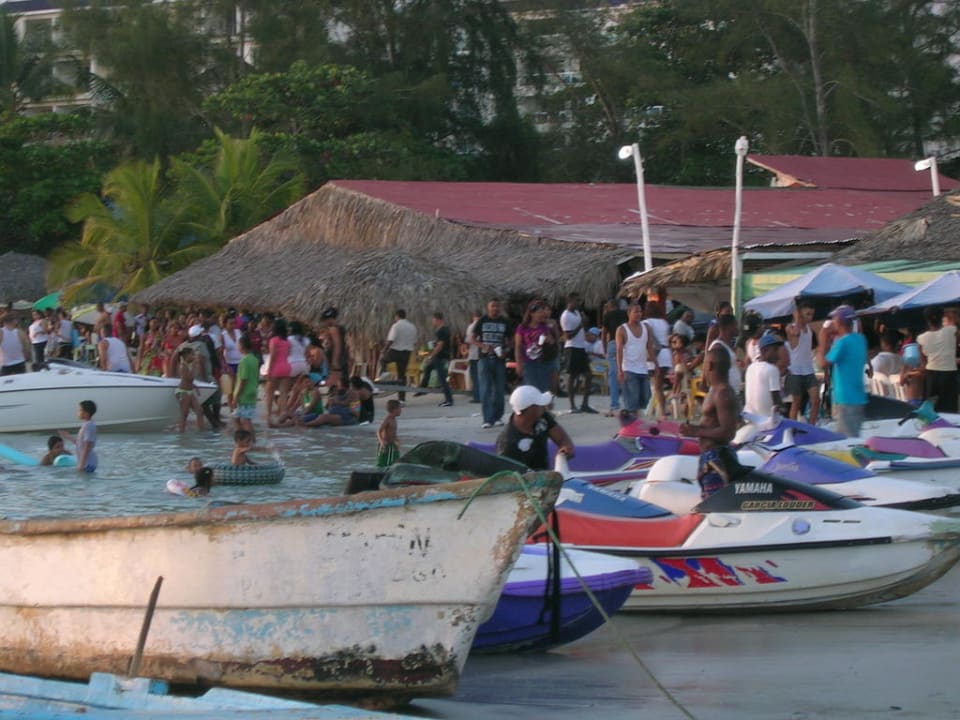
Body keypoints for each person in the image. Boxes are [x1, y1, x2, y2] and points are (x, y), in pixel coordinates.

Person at [679, 347, 742, 499]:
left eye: (704, 364)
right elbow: (714, 424)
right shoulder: (715, 391)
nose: (702, 369)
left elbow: (728, 432)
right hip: (710, 457)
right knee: (709, 502)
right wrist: (694, 428)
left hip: (717, 458)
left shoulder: (722, 392)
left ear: (710, 366)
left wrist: (696, 432)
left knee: (715, 506)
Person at [496, 386, 575, 471]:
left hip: (546, 476)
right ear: (531, 409)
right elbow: (509, 479)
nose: (544, 407)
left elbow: (561, 437)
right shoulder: (508, 443)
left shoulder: (541, 417)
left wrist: (565, 448)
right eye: (540, 405)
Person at [819, 305, 868, 438]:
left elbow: (822, 363)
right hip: (857, 396)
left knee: (847, 440)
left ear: (839, 322)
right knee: (850, 434)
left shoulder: (843, 343)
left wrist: (823, 339)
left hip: (845, 398)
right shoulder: (860, 339)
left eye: (834, 319)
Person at [472, 298, 511, 428]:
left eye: (497, 306)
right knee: (485, 389)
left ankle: (498, 417)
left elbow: (510, 339)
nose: (495, 308)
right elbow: (472, 338)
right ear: (488, 308)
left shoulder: (504, 321)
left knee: (499, 389)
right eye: (492, 306)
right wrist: (482, 345)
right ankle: (487, 419)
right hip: (484, 358)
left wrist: (506, 350)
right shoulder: (482, 321)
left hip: (499, 359)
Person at [616, 303, 658, 418]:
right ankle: (632, 424)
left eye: (640, 311)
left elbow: (650, 346)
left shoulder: (646, 327)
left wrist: (656, 364)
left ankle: (634, 420)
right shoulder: (622, 329)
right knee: (632, 401)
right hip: (629, 369)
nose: (639, 314)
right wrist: (620, 370)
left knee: (645, 397)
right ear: (629, 313)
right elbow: (619, 350)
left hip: (643, 369)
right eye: (636, 312)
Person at [917, 305, 958, 413]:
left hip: (931, 376)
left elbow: (923, 364)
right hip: (949, 375)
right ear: (941, 317)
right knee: (949, 409)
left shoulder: (921, 338)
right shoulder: (952, 331)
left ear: (927, 320)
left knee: (930, 409)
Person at [784, 301, 820, 424]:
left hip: (808, 369)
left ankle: (811, 427)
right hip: (795, 370)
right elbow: (796, 333)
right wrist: (796, 317)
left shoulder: (810, 329)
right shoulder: (791, 327)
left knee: (816, 400)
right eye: (807, 314)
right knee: (796, 403)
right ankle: (791, 428)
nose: (810, 317)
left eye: (812, 314)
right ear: (800, 314)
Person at [560, 292, 595, 414]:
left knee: (588, 375)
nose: (578, 303)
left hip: (581, 347)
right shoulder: (566, 316)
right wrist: (580, 326)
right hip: (572, 347)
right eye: (576, 301)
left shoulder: (577, 313)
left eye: (579, 301)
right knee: (572, 376)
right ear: (569, 302)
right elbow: (568, 336)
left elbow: (583, 328)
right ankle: (572, 405)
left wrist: (584, 324)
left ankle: (585, 403)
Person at [514, 301, 557, 393]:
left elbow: (552, 342)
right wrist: (519, 364)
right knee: (531, 389)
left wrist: (548, 340)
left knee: (543, 390)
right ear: (531, 314)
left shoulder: (544, 326)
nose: (542, 315)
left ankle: (543, 406)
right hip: (528, 363)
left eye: (542, 312)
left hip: (543, 362)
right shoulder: (522, 327)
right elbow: (518, 346)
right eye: (539, 312)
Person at [414, 312, 454, 407]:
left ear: (437, 319)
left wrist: (431, 355)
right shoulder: (442, 330)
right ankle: (422, 390)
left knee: (442, 379)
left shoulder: (442, 331)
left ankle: (449, 400)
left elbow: (440, 346)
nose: (432, 322)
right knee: (427, 369)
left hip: (440, 357)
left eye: (433, 320)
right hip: (440, 356)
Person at [744, 331, 785, 418]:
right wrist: (783, 409)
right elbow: (776, 398)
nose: (778, 354)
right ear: (764, 351)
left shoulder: (750, 368)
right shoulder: (772, 369)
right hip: (767, 419)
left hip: (750, 417)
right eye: (775, 350)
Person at [382, 309, 418, 403]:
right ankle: (402, 399)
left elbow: (391, 340)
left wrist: (384, 351)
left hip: (396, 351)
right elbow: (414, 342)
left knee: (383, 360)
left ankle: (383, 376)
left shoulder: (396, 326)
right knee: (402, 375)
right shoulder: (412, 326)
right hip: (406, 353)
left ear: (397, 316)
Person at [601, 299, 628, 416]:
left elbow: (604, 334)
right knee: (626, 374)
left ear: (610, 306)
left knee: (613, 376)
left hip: (613, 343)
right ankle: (629, 405)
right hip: (626, 345)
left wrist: (604, 348)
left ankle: (614, 406)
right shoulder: (626, 314)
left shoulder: (608, 315)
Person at [231, 333, 258, 443]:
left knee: (245, 420)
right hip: (252, 391)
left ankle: (250, 442)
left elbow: (242, 380)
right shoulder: (254, 359)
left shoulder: (244, 361)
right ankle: (243, 440)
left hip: (244, 394)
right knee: (237, 418)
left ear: (241, 346)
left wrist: (235, 397)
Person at [59, 400, 98, 473]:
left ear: (86, 413)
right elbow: (80, 443)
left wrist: (81, 464)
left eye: (79, 410)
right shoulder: (86, 425)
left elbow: (87, 446)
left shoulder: (88, 425)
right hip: (87, 462)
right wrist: (68, 436)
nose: (77, 412)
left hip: (88, 463)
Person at [707, 313, 742, 396]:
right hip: (723, 396)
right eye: (736, 325)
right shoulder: (717, 347)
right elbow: (711, 372)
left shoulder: (726, 346)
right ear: (729, 327)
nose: (738, 329)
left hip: (731, 394)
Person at [175, 346, 206, 432]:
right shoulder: (183, 366)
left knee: (199, 411)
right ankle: (181, 434)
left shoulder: (189, 365)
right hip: (182, 391)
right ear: (187, 356)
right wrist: (196, 365)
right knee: (184, 414)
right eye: (192, 354)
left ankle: (202, 433)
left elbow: (190, 381)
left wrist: (195, 387)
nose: (194, 356)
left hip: (189, 391)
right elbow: (189, 377)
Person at [321, 307, 350, 388]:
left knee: (338, 381)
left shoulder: (333, 329)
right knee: (341, 380)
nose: (325, 323)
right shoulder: (339, 328)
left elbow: (337, 345)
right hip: (341, 358)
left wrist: (335, 361)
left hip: (337, 360)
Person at [377, 399, 403, 467]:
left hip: (392, 445)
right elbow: (379, 431)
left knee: (395, 462)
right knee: (383, 464)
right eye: (400, 408)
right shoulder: (388, 419)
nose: (401, 410)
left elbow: (393, 432)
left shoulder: (394, 419)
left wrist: (397, 440)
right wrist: (382, 442)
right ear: (394, 409)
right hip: (385, 446)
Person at [465, 310, 482, 403]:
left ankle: (477, 397)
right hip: (483, 355)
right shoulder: (484, 325)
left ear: (473, 317)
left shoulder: (471, 327)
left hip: (474, 355)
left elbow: (468, 342)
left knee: (475, 377)